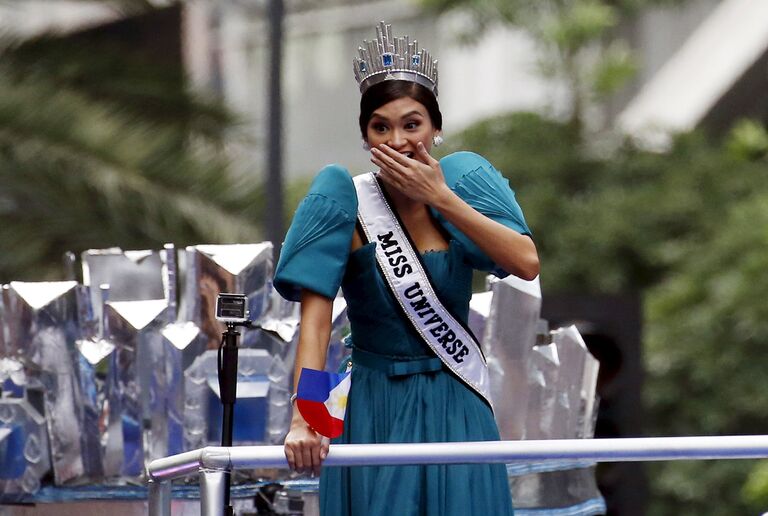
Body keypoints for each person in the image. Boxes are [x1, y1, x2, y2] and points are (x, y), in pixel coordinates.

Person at [274, 21, 539, 516]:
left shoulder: (463, 179)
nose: (397, 140)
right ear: (365, 135)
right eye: (381, 126)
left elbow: (524, 262)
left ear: (436, 129)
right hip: (374, 403)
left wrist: (440, 198)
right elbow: (314, 322)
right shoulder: (343, 196)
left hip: (454, 394)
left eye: (412, 124)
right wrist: (305, 417)